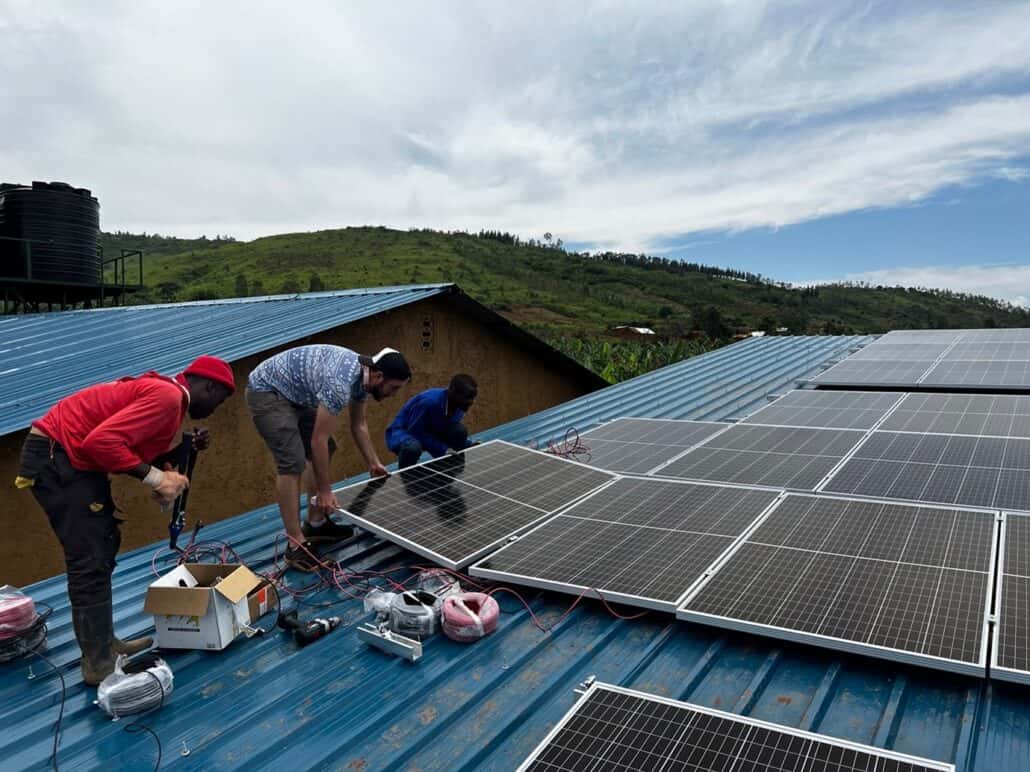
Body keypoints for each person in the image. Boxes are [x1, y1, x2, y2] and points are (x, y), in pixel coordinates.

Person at [15, 356, 236, 684]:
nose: (217, 407)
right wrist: (156, 480)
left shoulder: (169, 403)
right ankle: (98, 663)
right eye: (221, 398)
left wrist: (179, 455)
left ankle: (106, 645)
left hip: (72, 460)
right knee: (88, 556)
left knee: (103, 542)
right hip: (56, 457)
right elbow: (101, 443)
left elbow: (137, 454)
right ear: (208, 385)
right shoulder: (168, 397)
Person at [246, 345, 411, 570]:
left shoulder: (363, 377)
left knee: (328, 447)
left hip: (297, 396)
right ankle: (295, 545)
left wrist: (373, 463)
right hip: (268, 392)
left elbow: (358, 424)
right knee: (292, 462)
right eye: (394, 388)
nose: (393, 394)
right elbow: (317, 440)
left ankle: (316, 524)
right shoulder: (340, 382)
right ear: (379, 375)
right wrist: (325, 491)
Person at [386, 374, 477, 468]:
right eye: (468, 397)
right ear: (453, 392)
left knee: (459, 431)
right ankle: (405, 476)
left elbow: (445, 428)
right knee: (412, 448)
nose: (472, 402)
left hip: (430, 430)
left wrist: (465, 444)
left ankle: (450, 467)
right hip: (405, 432)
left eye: (473, 397)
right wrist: (443, 449)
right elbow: (416, 432)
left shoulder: (459, 405)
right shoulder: (429, 402)